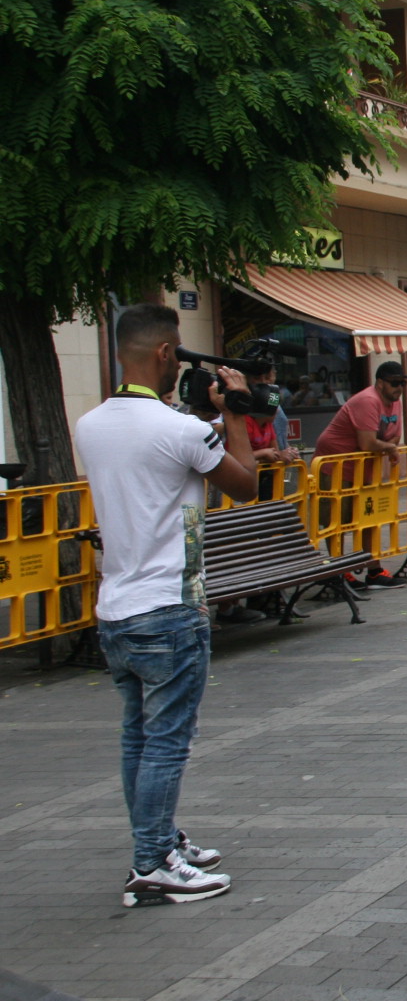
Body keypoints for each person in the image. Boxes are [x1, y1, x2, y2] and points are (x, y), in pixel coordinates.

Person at [76, 305, 260, 907]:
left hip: (117, 608)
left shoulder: (90, 425)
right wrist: (235, 412)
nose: (179, 366)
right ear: (163, 353)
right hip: (170, 608)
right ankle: (153, 862)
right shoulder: (180, 430)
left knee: (138, 737)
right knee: (168, 742)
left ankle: (157, 841)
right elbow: (246, 484)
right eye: (178, 354)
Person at [313, 360, 407, 589]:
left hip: (363, 467)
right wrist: (387, 446)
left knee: (369, 517)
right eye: (395, 383)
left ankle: (374, 571)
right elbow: (368, 442)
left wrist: (386, 445)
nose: (399, 388)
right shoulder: (368, 400)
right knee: (338, 521)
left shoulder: (394, 402)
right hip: (336, 464)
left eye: (402, 383)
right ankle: (340, 571)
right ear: (380, 383)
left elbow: (395, 437)